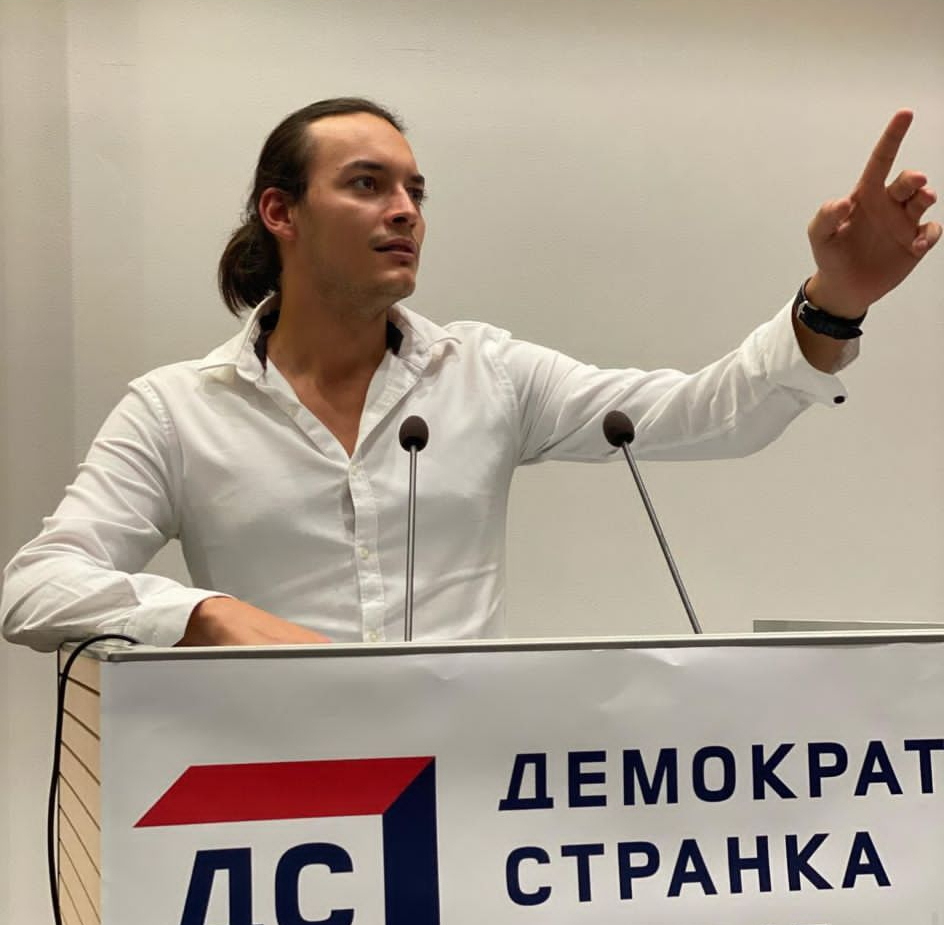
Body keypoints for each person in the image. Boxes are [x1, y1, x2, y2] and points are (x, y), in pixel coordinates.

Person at [1, 98, 939, 651]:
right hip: (274, 805)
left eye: (415, 190)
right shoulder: (176, 411)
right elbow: (37, 585)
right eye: (367, 184)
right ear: (280, 213)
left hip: (466, 797)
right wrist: (205, 613)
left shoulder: (487, 374)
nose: (405, 210)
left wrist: (834, 300)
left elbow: (706, 415)